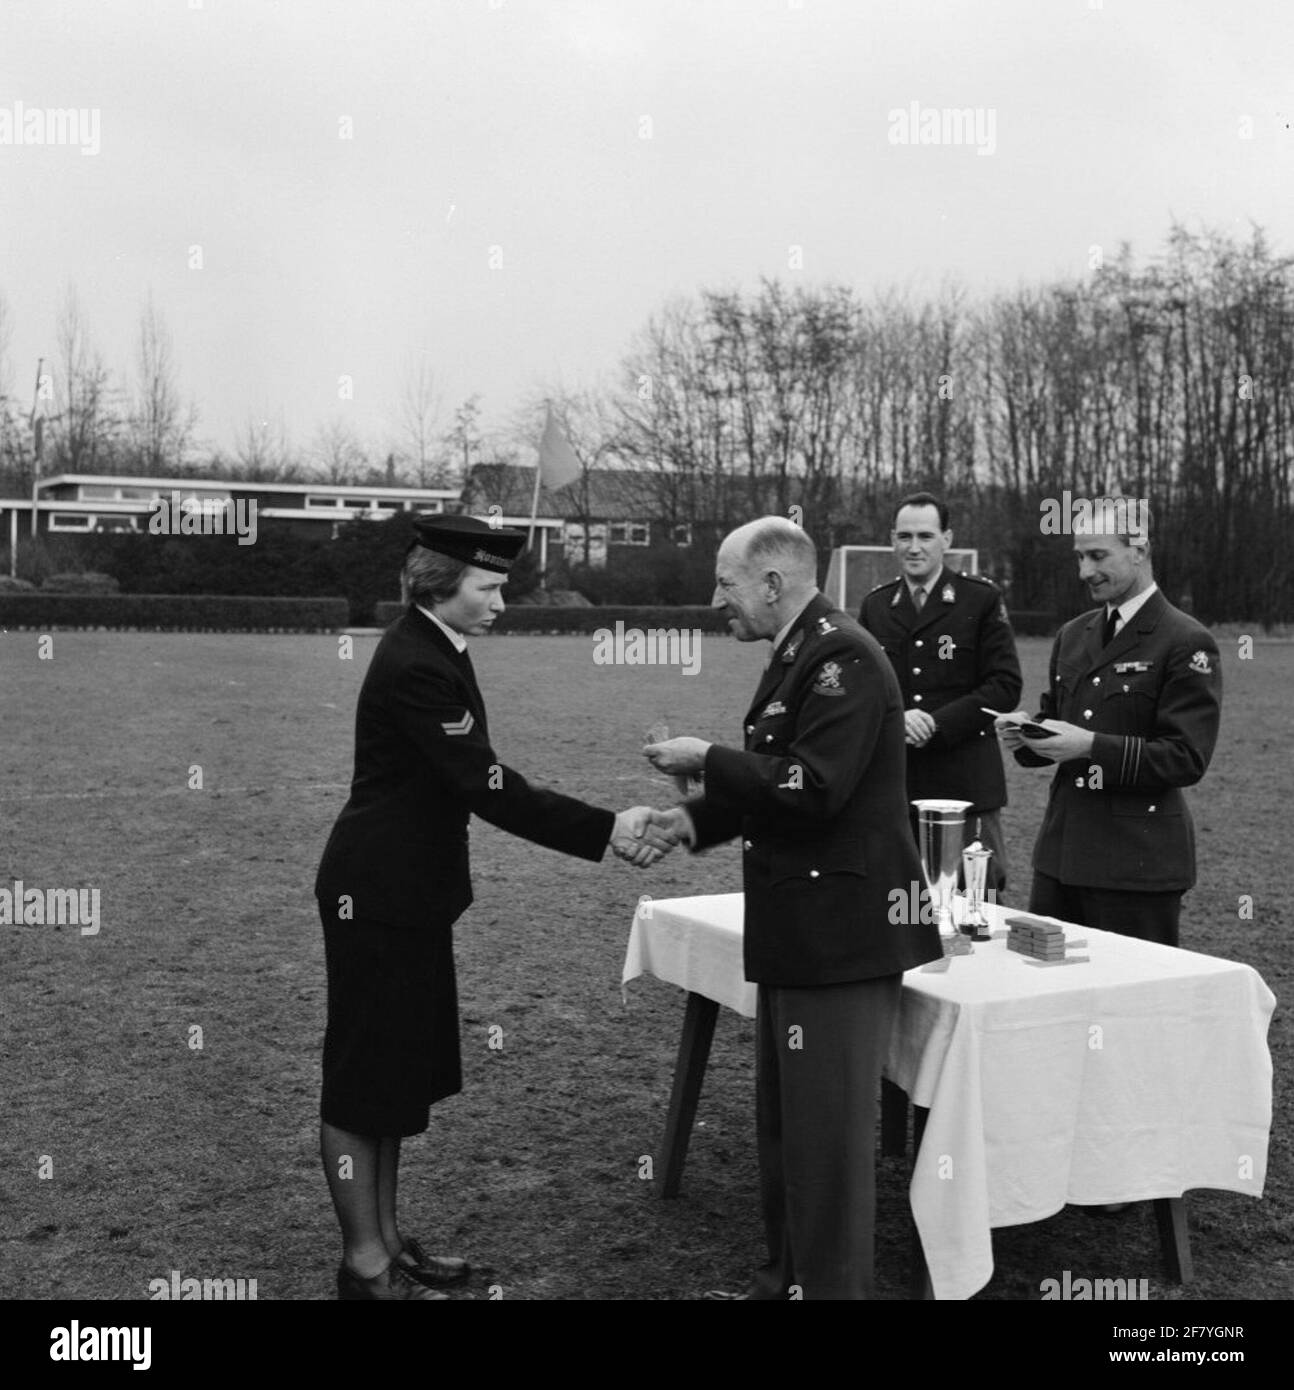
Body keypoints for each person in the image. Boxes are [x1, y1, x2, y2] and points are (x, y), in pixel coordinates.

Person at [314, 514, 675, 1301]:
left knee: (394, 1082)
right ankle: (364, 1266)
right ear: (438, 585)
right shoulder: (417, 661)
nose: (502, 601)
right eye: (488, 586)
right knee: (358, 1083)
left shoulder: (437, 646)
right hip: (373, 897)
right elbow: (487, 785)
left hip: (405, 895)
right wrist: (608, 827)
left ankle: (387, 1239)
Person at [644, 516, 942, 1301]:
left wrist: (707, 757)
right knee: (786, 1136)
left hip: (840, 941)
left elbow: (812, 788)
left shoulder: (840, 654)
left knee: (829, 1150)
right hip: (798, 936)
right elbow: (778, 782)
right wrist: (692, 820)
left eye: (726, 582)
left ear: (773, 583)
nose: (717, 600)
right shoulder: (799, 651)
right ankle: (788, 1281)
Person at [996, 506, 1222, 947]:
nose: (1085, 571)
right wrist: (1027, 735)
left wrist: (1090, 747)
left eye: (1098, 556)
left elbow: (1185, 757)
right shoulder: (1074, 633)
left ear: (1139, 550)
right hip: (1061, 859)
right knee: (1046, 997)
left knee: (1131, 1008)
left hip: (1136, 867)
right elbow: (1057, 717)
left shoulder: (1184, 640)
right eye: (1079, 558)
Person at [858, 491, 1021, 892]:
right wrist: (898, 718)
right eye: (905, 536)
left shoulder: (980, 599)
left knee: (974, 906)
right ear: (892, 539)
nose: (914, 548)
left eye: (926, 536)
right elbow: (861, 689)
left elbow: (1005, 685)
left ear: (947, 540)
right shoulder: (876, 606)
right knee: (901, 911)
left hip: (964, 787)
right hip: (897, 788)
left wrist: (937, 722)